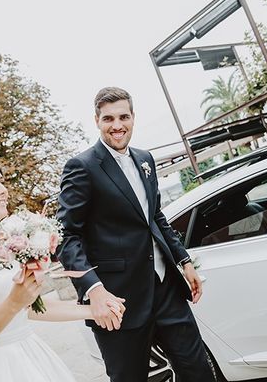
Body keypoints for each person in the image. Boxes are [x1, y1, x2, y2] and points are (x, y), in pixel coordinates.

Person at [56, 87, 216, 382]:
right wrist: (95, 290)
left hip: (166, 287)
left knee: (199, 372)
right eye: (108, 119)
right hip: (117, 300)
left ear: (133, 117)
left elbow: (154, 216)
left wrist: (184, 261)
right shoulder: (82, 167)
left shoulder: (145, 160)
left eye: (123, 117)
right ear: (97, 120)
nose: (117, 125)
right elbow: (67, 236)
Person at [0, 154, 124, 382]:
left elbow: (30, 308)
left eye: (2, 182)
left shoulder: (10, 245)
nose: (2, 189)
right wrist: (12, 303)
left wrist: (94, 310)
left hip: (32, 358)